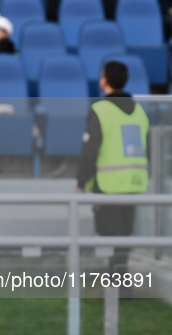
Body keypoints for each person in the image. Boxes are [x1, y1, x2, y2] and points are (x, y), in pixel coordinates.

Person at [76, 61, 149, 294]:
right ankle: (119, 283)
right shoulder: (140, 112)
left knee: (109, 234)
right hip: (134, 182)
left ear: (104, 80)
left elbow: (91, 149)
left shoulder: (100, 110)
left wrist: (81, 181)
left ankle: (117, 288)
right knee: (124, 236)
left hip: (108, 184)